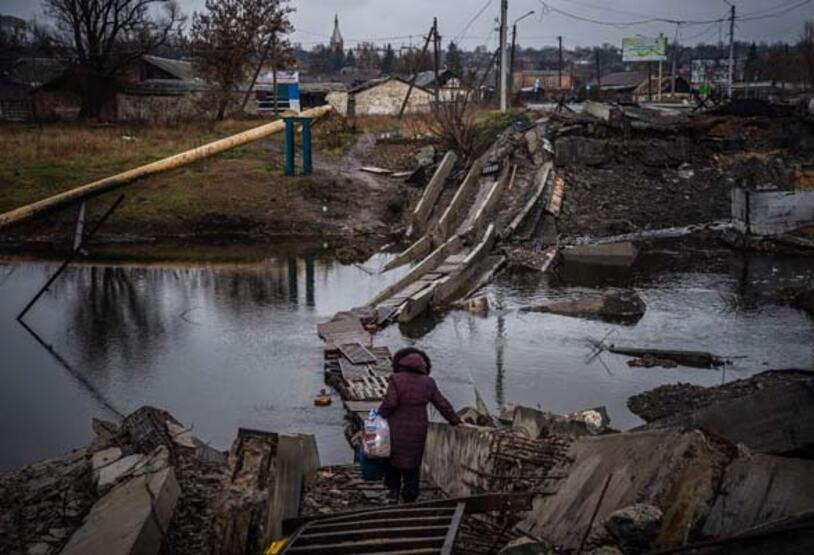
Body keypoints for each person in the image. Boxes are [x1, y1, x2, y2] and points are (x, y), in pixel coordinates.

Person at [378, 347, 461, 503]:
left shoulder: (396, 379)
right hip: (418, 430)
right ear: (424, 366)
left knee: (393, 460)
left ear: (401, 363)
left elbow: (390, 403)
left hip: (395, 429)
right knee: (412, 462)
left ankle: (392, 492)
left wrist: (378, 415)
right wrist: (454, 420)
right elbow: (442, 403)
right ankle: (410, 495)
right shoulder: (428, 382)